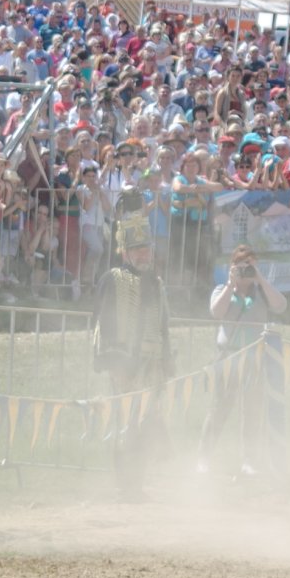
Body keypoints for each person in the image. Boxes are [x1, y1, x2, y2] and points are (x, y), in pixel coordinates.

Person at [93, 208, 171, 499]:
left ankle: (136, 484)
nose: (144, 254)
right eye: (137, 249)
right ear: (125, 252)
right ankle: (124, 485)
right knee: (125, 425)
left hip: (152, 368)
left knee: (147, 425)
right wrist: (115, 364)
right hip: (124, 367)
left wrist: (166, 362)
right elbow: (104, 323)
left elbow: (163, 325)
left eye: (147, 248)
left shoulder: (157, 283)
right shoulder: (113, 279)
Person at [202, 240, 288, 478]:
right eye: (241, 266)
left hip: (255, 359)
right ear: (232, 267)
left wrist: (259, 278)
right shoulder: (221, 290)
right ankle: (204, 459)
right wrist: (231, 284)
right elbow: (215, 312)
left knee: (252, 411)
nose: (245, 271)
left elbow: (281, 306)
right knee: (219, 409)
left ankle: (249, 461)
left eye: (249, 265)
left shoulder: (262, 292)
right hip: (228, 358)